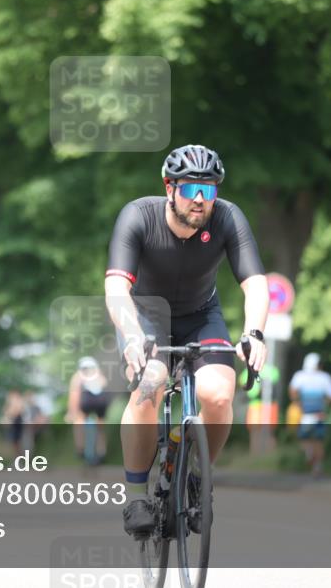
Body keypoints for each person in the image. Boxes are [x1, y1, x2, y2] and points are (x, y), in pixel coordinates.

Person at [104, 144, 269, 536]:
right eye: (191, 189)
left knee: (218, 395)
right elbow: (115, 289)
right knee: (151, 381)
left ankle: (196, 474)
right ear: (169, 188)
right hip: (146, 315)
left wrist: (254, 334)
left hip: (201, 315)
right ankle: (136, 496)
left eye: (209, 190)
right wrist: (132, 337)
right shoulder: (138, 216)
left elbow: (256, 284)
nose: (200, 199)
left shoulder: (228, 218)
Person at [288, 353, 331, 476]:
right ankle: (317, 466)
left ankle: (309, 454)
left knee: (304, 438)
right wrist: (326, 405)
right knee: (318, 440)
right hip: (319, 413)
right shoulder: (324, 377)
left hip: (304, 412)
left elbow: (292, 391)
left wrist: (297, 403)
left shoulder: (299, 376)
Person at [66, 356, 113, 464]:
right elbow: (105, 388)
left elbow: (74, 394)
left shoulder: (78, 376)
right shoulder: (99, 374)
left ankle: (80, 449)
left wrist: (71, 411)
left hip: (87, 400)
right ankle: (102, 452)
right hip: (101, 401)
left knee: (79, 421)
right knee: (100, 426)